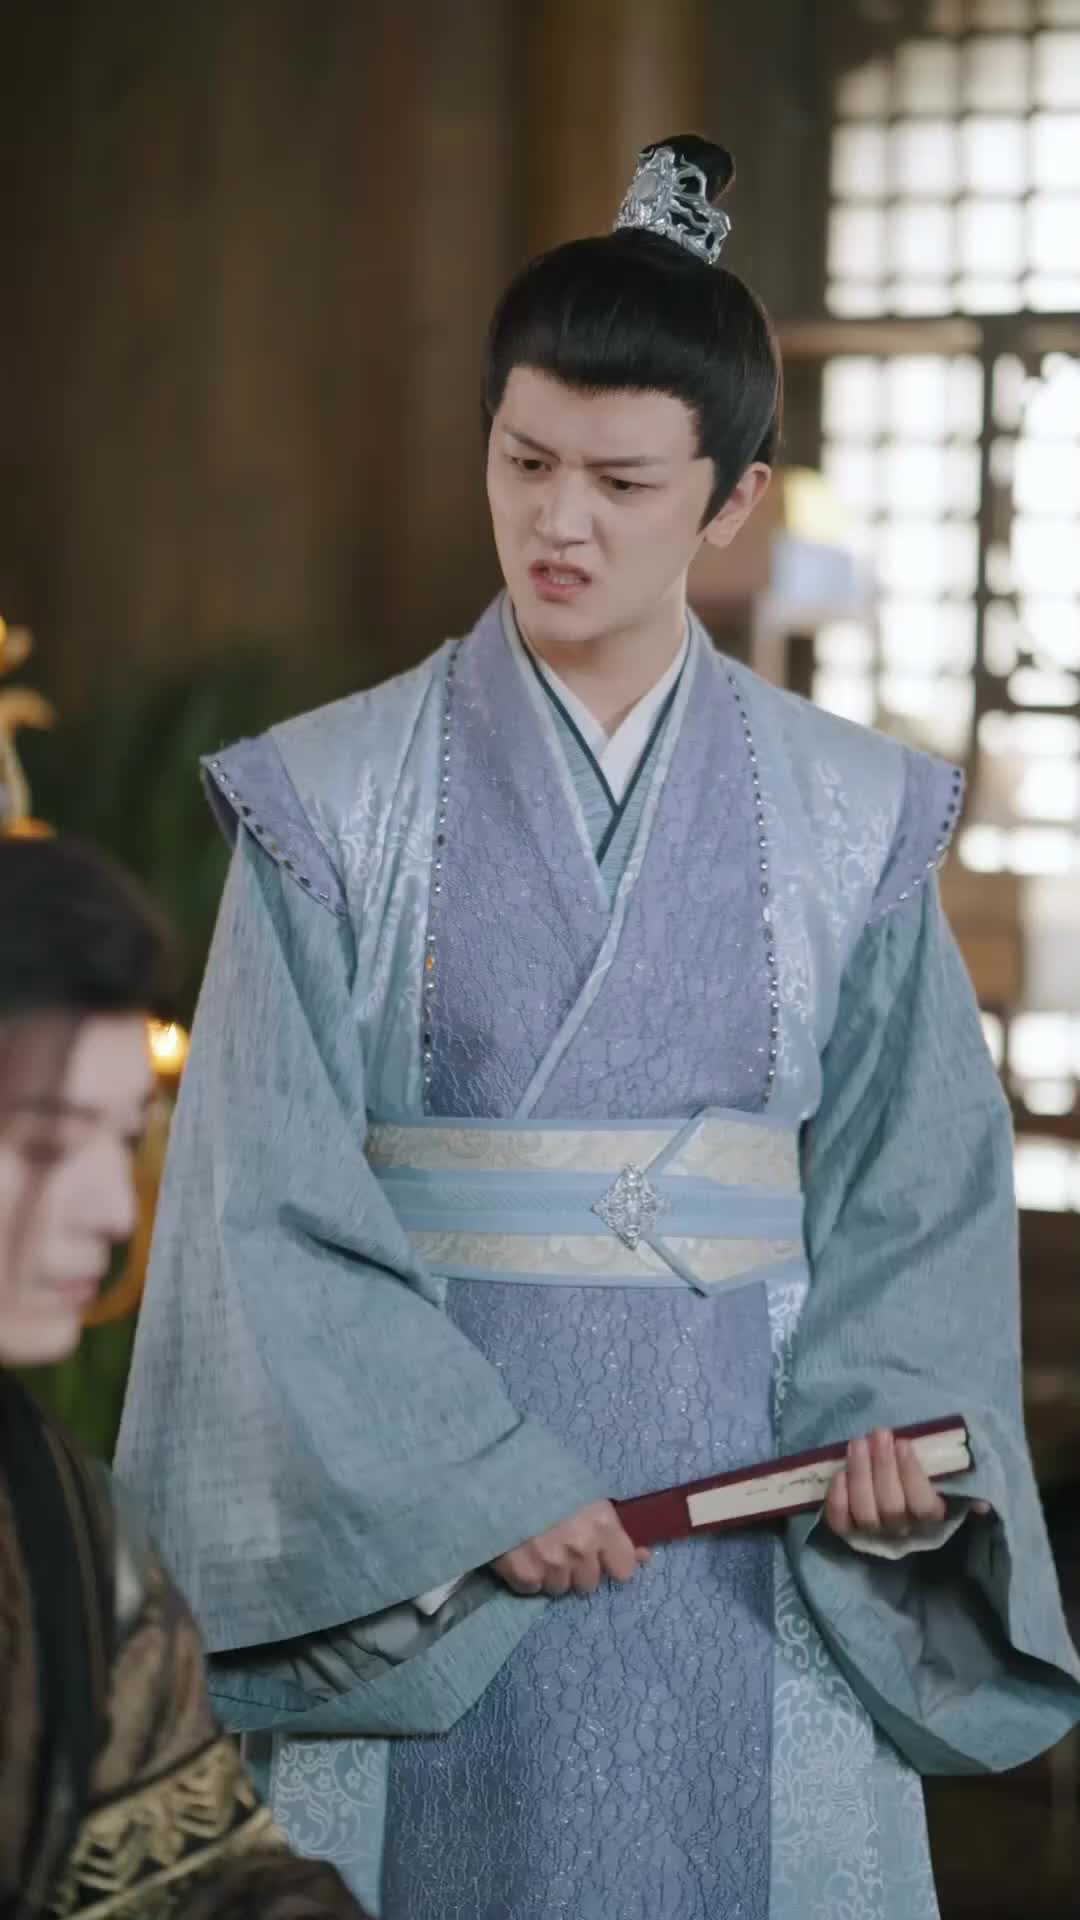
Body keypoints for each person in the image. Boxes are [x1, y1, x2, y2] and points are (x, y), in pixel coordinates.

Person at [116, 136, 1080, 1920]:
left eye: (623, 481)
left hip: (754, 1513)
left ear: (733, 502)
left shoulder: (856, 814)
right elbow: (260, 1206)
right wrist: (470, 1482)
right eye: (526, 460)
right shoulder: (328, 800)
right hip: (424, 1544)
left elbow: (916, 1192)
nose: (560, 521)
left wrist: (894, 1441)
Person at [0, 835, 371, 1919]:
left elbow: (196, 1877)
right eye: (47, 1146)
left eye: (123, 1140)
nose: (116, 1210)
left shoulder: (59, 1520)